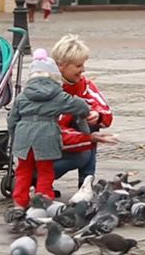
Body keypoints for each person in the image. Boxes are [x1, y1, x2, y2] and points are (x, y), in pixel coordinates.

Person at [7, 49, 89, 209]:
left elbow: (12, 119)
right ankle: (43, 200)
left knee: (23, 171)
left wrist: (14, 136)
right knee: (45, 170)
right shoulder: (58, 95)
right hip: (46, 136)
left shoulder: (22, 96)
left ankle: (19, 203)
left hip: (24, 137)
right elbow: (78, 106)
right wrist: (84, 113)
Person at [50, 34, 117, 187]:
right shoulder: (49, 90)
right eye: (79, 66)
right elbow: (53, 132)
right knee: (82, 156)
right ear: (61, 65)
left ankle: (86, 182)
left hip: (68, 140)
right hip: (46, 147)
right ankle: (38, 177)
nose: (83, 70)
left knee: (91, 123)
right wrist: (87, 139)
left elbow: (106, 113)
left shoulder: (84, 85)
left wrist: (97, 115)